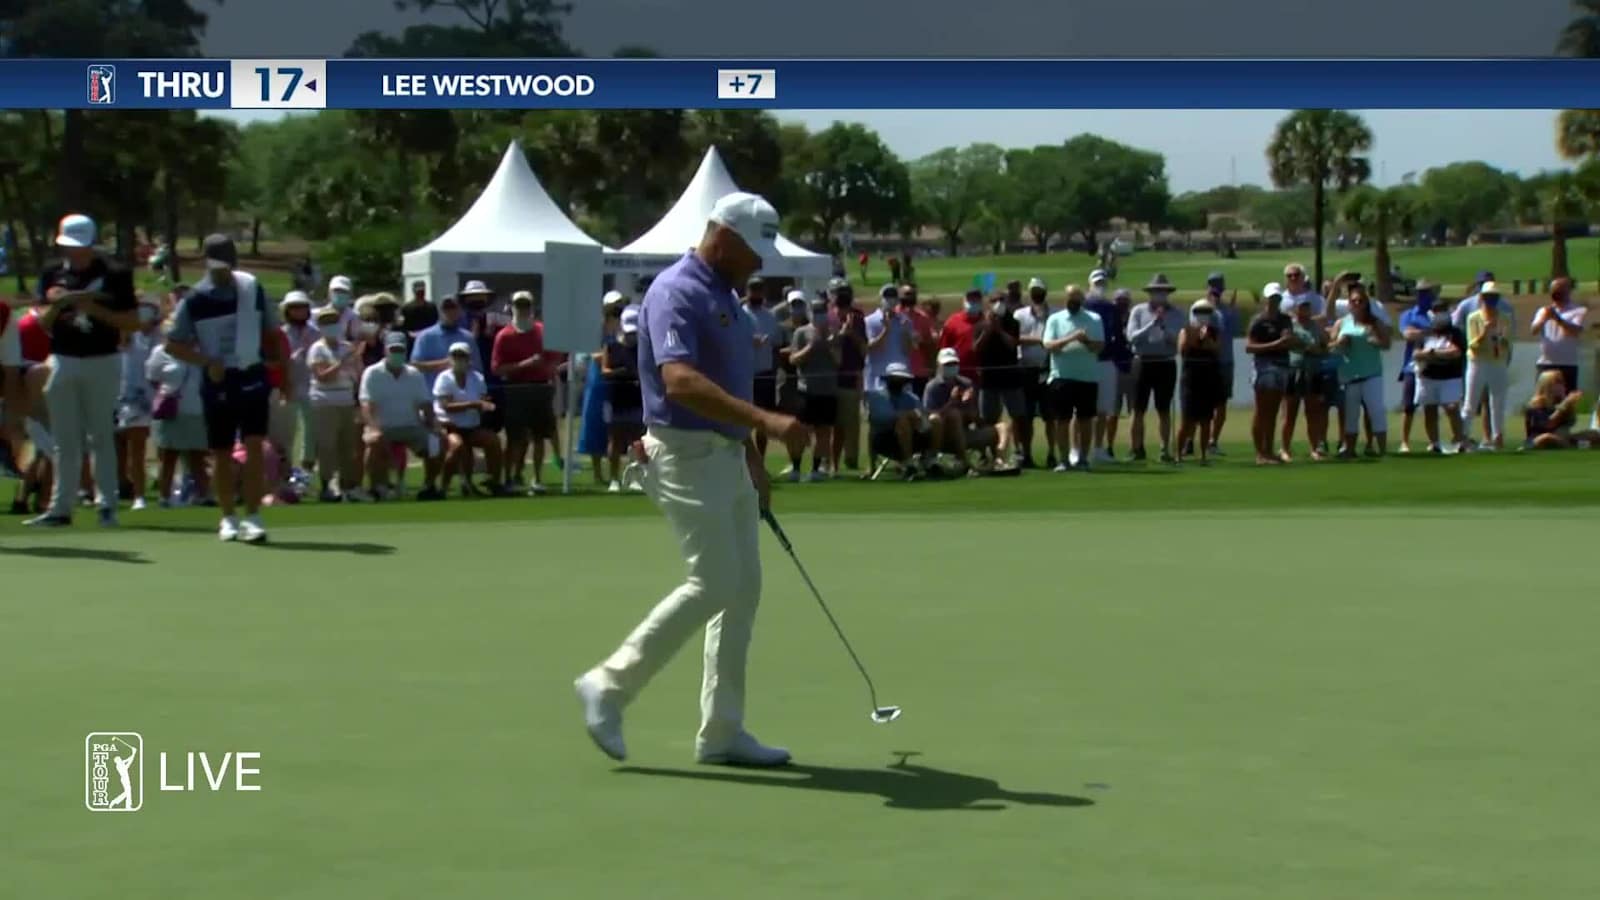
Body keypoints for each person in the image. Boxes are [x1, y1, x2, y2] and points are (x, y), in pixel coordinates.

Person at [573, 191, 809, 767]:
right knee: (714, 582)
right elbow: (679, 381)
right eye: (753, 251)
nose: (760, 263)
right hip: (682, 456)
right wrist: (767, 422)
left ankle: (722, 731)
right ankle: (608, 684)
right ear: (723, 236)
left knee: (743, 589)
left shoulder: (726, 295)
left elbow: (730, 384)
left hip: (725, 457)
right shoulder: (676, 291)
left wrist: (751, 454)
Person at [162, 234, 278, 543]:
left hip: (252, 374)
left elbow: (271, 330)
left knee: (254, 447)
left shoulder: (252, 290)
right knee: (222, 452)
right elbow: (173, 345)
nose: (225, 271)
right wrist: (205, 361)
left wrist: (279, 369)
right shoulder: (196, 299)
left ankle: (253, 516)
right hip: (218, 381)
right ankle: (227, 517)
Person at [26, 213, 139, 528]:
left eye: (80, 246)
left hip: (103, 358)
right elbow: (43, 323)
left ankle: (107, 506)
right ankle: (61, 508)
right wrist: (60, 305)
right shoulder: (52, 272)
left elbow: (131, 321)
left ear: (91, 244)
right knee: (64, 438)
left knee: (101, 434)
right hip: (63, 357)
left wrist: (93, 308)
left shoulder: (115, 273)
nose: (74, 252)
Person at [359, 331, 444, 500]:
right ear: (385, 351)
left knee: (437, 442)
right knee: (373, 442)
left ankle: (429, 486)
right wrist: (373, 428)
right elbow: (366, 405)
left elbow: (425, 404)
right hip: (383, 427)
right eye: (393, 350)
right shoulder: (372, 373)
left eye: (400, 350)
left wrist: (433, 424)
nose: (397, 354)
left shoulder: (414, 374)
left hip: (411, 426)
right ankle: (377, 486)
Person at [493, 290, 558, 495]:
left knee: (540, 437)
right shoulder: (504, 336)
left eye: (526, 306)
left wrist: (544, 369)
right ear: (512, 307)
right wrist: (524, 365)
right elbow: (497, 368)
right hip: (515, 390)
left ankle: (537, 478)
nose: (522, 310)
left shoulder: (542, 331)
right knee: (514, 438)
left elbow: (554, 360)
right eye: (519, 306)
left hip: (540, 388)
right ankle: (510, 477)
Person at [145, 319, 209, 508]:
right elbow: (152, 378)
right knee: (169, 455)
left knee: (197, 456)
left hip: (197, 409)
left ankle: (203, 495)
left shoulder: (201, 352)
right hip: (171, 411)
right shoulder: (160, 352)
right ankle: (164, 496)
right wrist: (167, 394)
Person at [1042, 285, 1105, 471]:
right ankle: (1063, 459)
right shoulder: (1055, 319)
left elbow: (1099, 347)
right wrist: (1071, 338)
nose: (1073, 303)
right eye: (1070, 300)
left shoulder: (1094, 319)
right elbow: (1048, 345)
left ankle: (1083, 458)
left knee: (1085, 419)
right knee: (1062, 420)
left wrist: (1085, 340)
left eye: (1077, 300)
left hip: (1087, 377)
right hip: (1062, 376)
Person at [1125, 273, 1184, 462]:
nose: (1160, 295)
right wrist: (1152, 324)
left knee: (1163, 409)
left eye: (1163, 292)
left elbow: (1178, 341)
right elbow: (1132, 336)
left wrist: (1164, 327)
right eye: (1156, 292)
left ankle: (1164, 449)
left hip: (1165, 363)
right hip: (1142, 362)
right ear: (1150, 293)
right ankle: (1136, 448)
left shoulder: (1176, 314)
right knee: (1137, 409)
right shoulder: (1138, 311)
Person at [434, 341, 506, 496]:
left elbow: (482, 401)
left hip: (471, 427)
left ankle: (494, 481)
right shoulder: (444, 378)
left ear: (468, 359)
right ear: (450, 358)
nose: (459, 360)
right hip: (449, 426)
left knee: (493, 440)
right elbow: (446, 406)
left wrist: (486, 405)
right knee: (457, 446)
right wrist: (473, 404)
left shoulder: (477, 378)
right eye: (455, 356)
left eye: (462, 356)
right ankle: (443, 487)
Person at [306, 305, 361, 501]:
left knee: (347, 445)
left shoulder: (347, 347)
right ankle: (327, 485)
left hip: (346, 399)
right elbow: (322, 377)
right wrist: (341, 362)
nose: (331, 326)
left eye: (334, 322)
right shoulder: (317, 349)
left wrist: (354, 363)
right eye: (326, 323)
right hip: (324, 401)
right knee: (327, 445)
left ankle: (347, 485)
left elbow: (357, 373)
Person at [1333, 285, 1391, 458]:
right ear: (1349, 304)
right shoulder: (1342, 323)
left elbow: (1386, 344)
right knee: (1351, 414)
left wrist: (1375, 341)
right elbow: (1331, 346)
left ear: (1366, 303)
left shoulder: (1375, 322)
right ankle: (1350, 449)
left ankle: (1382, 449)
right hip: (1350, 375)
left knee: (1376, 411)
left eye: (1360, 300)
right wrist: (1340, 342)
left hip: (1371, 373)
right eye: (1353, 301)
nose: (1357, 304)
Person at [115, 297, 162, 508]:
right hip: (122, 397)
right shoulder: (125, 336)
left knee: (140, 447)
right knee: (124, 447)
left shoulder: (159, 340)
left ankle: (143, 494)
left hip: (148, 398)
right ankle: (127, 491)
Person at [788, 295, 839, 481]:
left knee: (824, 432)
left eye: (822, 312)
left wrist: (828, 343)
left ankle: (816, 469)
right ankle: (795, 468)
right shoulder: (801, 332)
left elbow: (838, 361)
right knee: (801, 430)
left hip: (828, 390)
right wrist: (811, 346)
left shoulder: (833, 333)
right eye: (816, 312)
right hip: (806, 389)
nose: (820, 315)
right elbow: (793, 359)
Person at [1245, 283, 1295, 465]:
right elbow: (1249, 347)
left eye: (1277, 298)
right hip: (1263, 365)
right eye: (1271, 297)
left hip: (1281, 365)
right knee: (1261, 410)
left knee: (1273, 411)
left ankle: (1269, 451)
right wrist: (1275, 344)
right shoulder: (1258, 320)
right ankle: (1260, 453)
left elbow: (1289, 341)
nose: (1274, 301)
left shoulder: (1285, 320)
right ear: (1266, 298)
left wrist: (1288, 341)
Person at [1412, 297, 1467, 454]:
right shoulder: (1425, 333)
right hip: (1427, 377)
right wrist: (1437, 354)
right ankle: (1434, 443)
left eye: (1443, 310)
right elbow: (1417, 354)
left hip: (1450, 377)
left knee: (1452, 408)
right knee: (1429, 409)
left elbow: (1456, 352)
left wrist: (1433, 353)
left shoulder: (1455, 333)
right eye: (1437, 311)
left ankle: (1459, 440)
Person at [1463, 281, 1512, 452]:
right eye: (1488, 297)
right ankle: (1464, 436)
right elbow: (1472, 345)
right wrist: (1485, 333)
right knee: (1471, 401)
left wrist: (1502, 340)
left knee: (1498, 401)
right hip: (1478, 361)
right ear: (1482, 298)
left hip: (1497, 362)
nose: (1491, 300)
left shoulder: (1504, 318)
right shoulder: (1474, 318)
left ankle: (1498, 436)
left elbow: (1507, 343)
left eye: (1494, 297)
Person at [1282, 294, 1332, 461]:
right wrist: (1308, 347)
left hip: (1313, 371)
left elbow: (1325, 347)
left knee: (1313, 413)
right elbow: (1289, 342)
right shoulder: (1291, 325)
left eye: (1307, 307)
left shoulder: (1316, 327)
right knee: (1290, 413)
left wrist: (1318, 350)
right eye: (1301, 307)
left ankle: (1314, 448)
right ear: (1296, 309)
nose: (1305, 310)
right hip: (1295, 369)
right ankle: (1285, 448)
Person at [975, 290, 1024, 458]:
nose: (999, 303)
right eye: (995, 300)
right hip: (989, 378)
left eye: (1002, 300)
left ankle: (1019, 451)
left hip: (1010, 376)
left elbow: (1013, 345)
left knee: (1017, 415)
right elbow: (977, 348)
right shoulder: (980, 324)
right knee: (987, 418)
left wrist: (999, 330)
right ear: (989, 303)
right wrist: (989, 329)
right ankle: (987, 452)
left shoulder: (1013, 322)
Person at [602, 307, 646, 493]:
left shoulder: (643, 347)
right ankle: (614, 479)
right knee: (615, 439)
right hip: (616, 399)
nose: (631, 336)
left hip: (637, 399)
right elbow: (605, 370)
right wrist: (621, 373)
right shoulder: (612, 346)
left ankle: (636, 478)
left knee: (637, 440)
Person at [1176, 298, 1224, 465]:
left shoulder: (1214, 332)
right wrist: (1197, 338)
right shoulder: (1186, 330)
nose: (1203, 316)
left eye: (1206, 312)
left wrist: (1206, 339)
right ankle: (1179, 454)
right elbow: (1183, 350)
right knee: (1187, 420)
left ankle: (1203, 455)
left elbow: (1217, 349)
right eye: (1199, 312)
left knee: (1206, 420)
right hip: (1190, 379)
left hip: (1208, 379)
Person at [742, 277, 785, 460]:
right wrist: (750, 341)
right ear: (747, 291)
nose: (756, 293)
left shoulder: (770, 316)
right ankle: (745, 463)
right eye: (753, 289)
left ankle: (761, 461)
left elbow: (777, 343)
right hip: (744, 373)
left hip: (766, 373)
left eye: (759, 290)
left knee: (762, 420)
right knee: (743, 421)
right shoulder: (740, 314)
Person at [1013, 277, 1053, 468]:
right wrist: (1039, 340)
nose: (1037, 293)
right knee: (1026, 416)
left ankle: (1053, 453)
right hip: (1026, 370)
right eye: (1034, 290)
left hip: (1049, 370)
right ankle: (1026, 454)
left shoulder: (1054, 314)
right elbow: (1015, 338)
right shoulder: (1020, 315)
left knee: (1050, 416)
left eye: (1040, 290)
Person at [828, 279, 867, 471]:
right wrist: (841, 334)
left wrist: (851, 333)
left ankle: (851, 461)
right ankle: (832, 463)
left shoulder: (858, 317)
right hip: (829, 378)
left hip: (851, 378)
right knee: (835, 426)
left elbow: (863, 348)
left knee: (851, 424)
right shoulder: (827, 317)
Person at [866, 361, 931, 479]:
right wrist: (906, 415)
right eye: (895, 379)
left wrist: (913, 417)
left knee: (932, 423)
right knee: (902, 420)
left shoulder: (912, 398)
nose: (898, 382)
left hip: (913, 437)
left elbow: (923, 420)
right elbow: (882, 418)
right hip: (885, 439)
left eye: (901, 379)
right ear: (888, 379)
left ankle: (930, 462)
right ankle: (909, 465)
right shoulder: (877, 397)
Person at [1083, 273, 1122, 465]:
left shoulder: (1111, 308)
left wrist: (1121, 360)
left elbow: (1118, 335)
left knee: (1102, 410)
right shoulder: (1083, 306)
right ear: (1089, 284)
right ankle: (1077, 450)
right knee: (1081, 410)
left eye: (1103, 283)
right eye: (1097, 283)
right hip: (1086, 361)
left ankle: (1098, 449)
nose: (1100, 286)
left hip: (1107, 362)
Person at [1396, 282, 1438, 454]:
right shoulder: (1408, 314)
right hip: (1411, 366)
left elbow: (1443, 331)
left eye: (1426, 293)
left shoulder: (1435, 314)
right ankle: (1404, 442)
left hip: (1433, 364)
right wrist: (1428, 331)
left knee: (1430, 405)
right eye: (1420, 293)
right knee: (1408, 407)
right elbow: (1407, 334)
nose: (1423, 296)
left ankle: (1433, 441)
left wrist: (1420, 331)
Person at [278, 290, 317, 473]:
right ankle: (285, 469)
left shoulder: (315, 333)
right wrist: (290, 359)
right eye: (294, 308)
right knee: (287, 431)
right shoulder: (280, 333)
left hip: (311, 386)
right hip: (288, 386)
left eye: (302, 307)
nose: (299, 311)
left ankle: (306, 469)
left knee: (311, 431)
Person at [1203, 273, 1237, 456]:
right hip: (1206, 362)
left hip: (1224, 362)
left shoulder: (1228, 311)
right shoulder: (1200, 309)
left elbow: (1231, 331)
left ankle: (1213, 441)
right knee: (1204, 405)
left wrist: (1229, 312)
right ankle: (1200, 440)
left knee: (1221, 405)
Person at [1531, 277, 1585, 393]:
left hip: (1567, 364)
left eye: (1560, 291)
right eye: (1554, 291)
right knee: (1542, 401)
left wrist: (1557, 319)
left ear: (1568, 291)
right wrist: (1543, 319)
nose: (1556, 294)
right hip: (1545, 363)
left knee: (1566, 402)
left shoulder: (1578, 311)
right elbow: (1533, 331)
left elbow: (1575, 331)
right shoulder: (1543, 311)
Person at [1524, 369, 1600, 449]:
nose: (1563, 385)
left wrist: (1569, 406)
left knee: (1593, 435)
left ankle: (1576, 445)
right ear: (1547, 385)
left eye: (1562, 382)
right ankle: (1577, 446)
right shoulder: (1537, 404)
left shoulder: (1559, 402)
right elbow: (1549, 424)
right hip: (1540, 439)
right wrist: (1565, 404)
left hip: (1562, 438)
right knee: (1547, 437)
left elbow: (1570, 423)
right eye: (1558, 382)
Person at [864, 283, 914, 393]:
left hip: (901, 376)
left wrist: (905, 331)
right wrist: (885, 330)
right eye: (887, 297)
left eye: (893, 297)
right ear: (881, 299)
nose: (890, 300)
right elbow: (870, 347)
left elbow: (908, 350)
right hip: (878, 379)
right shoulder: (870, 321)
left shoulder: (905, 321)